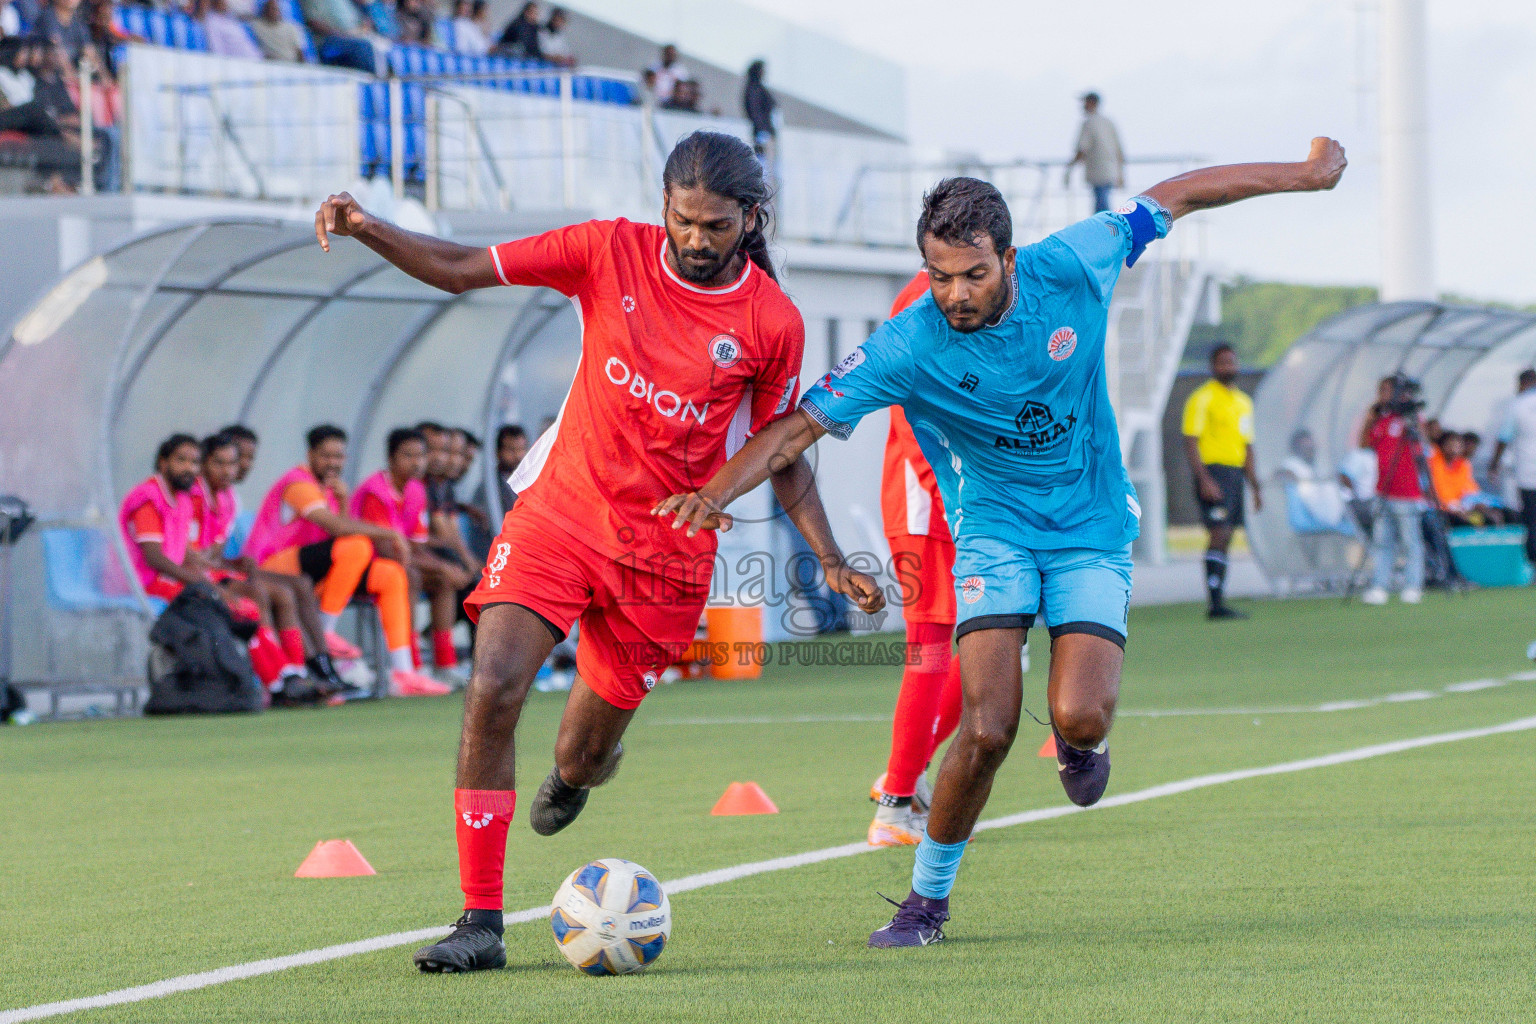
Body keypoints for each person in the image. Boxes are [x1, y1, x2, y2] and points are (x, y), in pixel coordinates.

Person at [656, 138, 1348, 948]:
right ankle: (926, 903)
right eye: (939, 275)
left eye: (973, 275)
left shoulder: (1075, 262)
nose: (954, 294)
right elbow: (793, 431)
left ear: (1009, 258)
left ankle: (1081, 746)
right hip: (993, 537)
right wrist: (712, 494)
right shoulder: (908, 343)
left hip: (1091, 529)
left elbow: (1182, 192)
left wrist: (1300, 175)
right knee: (987, 727)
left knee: (1079, 716)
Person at [314, 128, 882, 973]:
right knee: (495, 681)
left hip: (667, 555)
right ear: (663, 207)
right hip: (563, 514)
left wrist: (829, 559)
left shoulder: (771, 321)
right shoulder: (604, 250)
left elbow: (780, 451)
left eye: (717, 226)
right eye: (684, 220)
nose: (696, 239)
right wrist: (369, 228)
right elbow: (465, 268)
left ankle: (579, 775)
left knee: (580, 751)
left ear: (750, 218)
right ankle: (479, 920)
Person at [867, 272, 964, 848]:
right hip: (927, 502)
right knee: (929, 647)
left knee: (1003, 648)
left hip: (974, 499)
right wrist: (948, 496)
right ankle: (895, 806)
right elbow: (908, 409)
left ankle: (903, 776)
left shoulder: (1005, 291)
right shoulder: (922, 297)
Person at [244, 424, 448, 696]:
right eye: (326, 456)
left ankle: (403, 673)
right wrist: (390, 533)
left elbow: (334, 533)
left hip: (314, 568)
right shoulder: (298, 482)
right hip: (274, 566)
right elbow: (337, 530)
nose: (333, 463)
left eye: (339, 457)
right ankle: (325, 632)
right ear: (310, 455)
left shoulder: (330, 487)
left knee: (391, 575)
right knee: (357, 546)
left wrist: (342, 501)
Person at [192, 432, 352, 700]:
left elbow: (213, 554)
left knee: (298, 585)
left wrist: (234, 564)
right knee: (263, 592)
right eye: (225, 462)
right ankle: (278, 680)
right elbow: (189, 555)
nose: (237, 467)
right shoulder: (194, 495)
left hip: (218, 570)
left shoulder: (229, 498)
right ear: (205, 462)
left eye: (242, 460)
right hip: (193, 577)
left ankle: (309, 670)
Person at [352, 428, 475, 682]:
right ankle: (410, 665)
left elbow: (416, 544)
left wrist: (444, 568)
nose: (417, 462)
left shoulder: (417, 490)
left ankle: (444, 664)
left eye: (420, 455)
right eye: (408, 456)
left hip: (395, 566)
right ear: (391, 458)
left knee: (443, 581)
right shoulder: (377, 491)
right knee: (410, 575)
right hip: (361, 567)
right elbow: (386, 550)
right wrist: (441, 567)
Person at [1182, 342, 1261, 619]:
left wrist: (1255, 485)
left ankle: (1220, 600)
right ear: (1213, 366)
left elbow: (1247, 446)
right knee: (1219, 533)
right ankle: (1215, 603)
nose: (1228, 367)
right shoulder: (1202, 398)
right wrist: (1203, 479)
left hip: (1234, 474)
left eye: (1232, 361)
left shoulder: (1243, 402)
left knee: (1227, 535)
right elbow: (1191, 441)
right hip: (1213, 473)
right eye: (1223, 362)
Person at [1359, 377, 1426, 605]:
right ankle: (1380, 586)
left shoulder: (1409, 418)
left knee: (1410, 541)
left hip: (1406, 491)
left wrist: (1409, 413)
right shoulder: (1382, 419)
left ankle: (1413, 585)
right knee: (1382, 541)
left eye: (1386, 390)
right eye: (1380, 390)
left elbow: (1421, 442)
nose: (1381, 394)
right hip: (1382, 490)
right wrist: (1369, 420)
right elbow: (1365, 444)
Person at [1491, 368, 1536, 564]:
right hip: (1527, 472)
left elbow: (1504, 437)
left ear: (1523, 383)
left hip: (1527, 474)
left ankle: (1533, 565)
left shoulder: (1517, 405)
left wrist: (1494, 465)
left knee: (1532, 521)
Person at [1065, 91, 1123, 214]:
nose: (1083, 105)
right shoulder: (1108, 122)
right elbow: (1119, 149)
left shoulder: (1089, 123)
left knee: (1101, 206)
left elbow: (1082, 149)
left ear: (1091, 103)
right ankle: (1108, 227)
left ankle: (1106, 229)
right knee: (1103, 202)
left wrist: (1069, 169)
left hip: (1098, 172)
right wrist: (1120, 173)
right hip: (1110, 170)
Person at [742, 60, 775, 164]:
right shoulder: (754, 88)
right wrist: (763, 130)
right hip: (761, 133)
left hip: (764, 131)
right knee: (762, 163)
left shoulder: (758, 87)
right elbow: (755, 111)